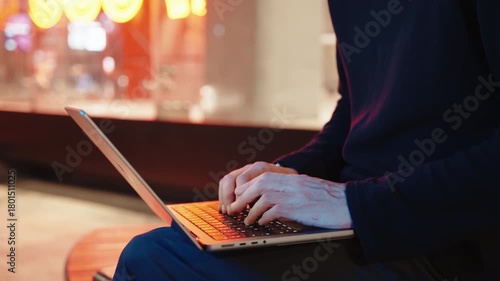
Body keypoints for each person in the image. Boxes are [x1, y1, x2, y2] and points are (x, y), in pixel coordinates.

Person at [113, 0, 500, 280]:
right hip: (357, 217)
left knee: (151, 258)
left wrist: (350, 203)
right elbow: (353, 112)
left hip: (444, 241)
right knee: (173, 244)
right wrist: (288, 171)